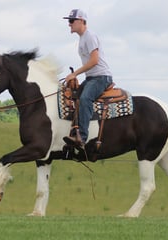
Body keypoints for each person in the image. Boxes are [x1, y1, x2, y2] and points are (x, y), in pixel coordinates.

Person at [62, 9, 113, 148]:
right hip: (91, 77)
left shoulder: (89, 36)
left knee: (85, 99)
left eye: (71, 21)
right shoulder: (82, 38)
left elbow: (95, 60)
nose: (69, 24)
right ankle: (74, 132)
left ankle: (82, 138)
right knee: (73, 96)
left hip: (101, 77)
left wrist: (74, 74)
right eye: (69, 21)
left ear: (81, 21)